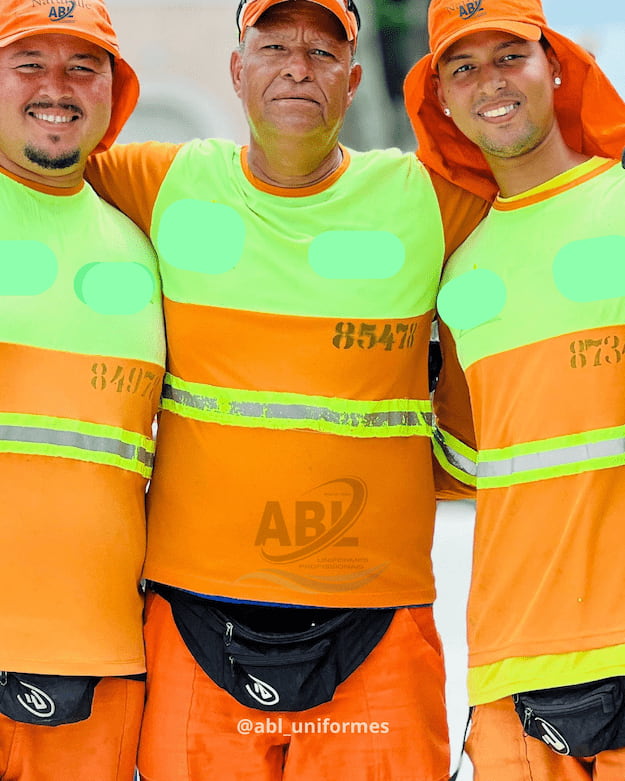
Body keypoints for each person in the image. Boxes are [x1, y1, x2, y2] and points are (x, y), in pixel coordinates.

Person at [86, 1, 488, 778]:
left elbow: (544, 198)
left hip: (379, 624)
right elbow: (37, 157)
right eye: (273, 47)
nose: (297, 66)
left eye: (322, 51)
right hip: (192, 617)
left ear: (354, 79)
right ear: (237, 72)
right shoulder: (159, 180)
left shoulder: (422, 199)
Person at [404, 0, 625, 778]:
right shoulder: (459, 274)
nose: (488, 82)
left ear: (554, 63)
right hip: (512, 665)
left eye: (509, 55)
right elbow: (461, 461)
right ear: (440, 99)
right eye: (461, 66)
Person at [0, 0, 165, 778]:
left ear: (115, 89)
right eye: (28, 62)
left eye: (82, 65)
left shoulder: (143, 246)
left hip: (98, 662)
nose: (55, 86)